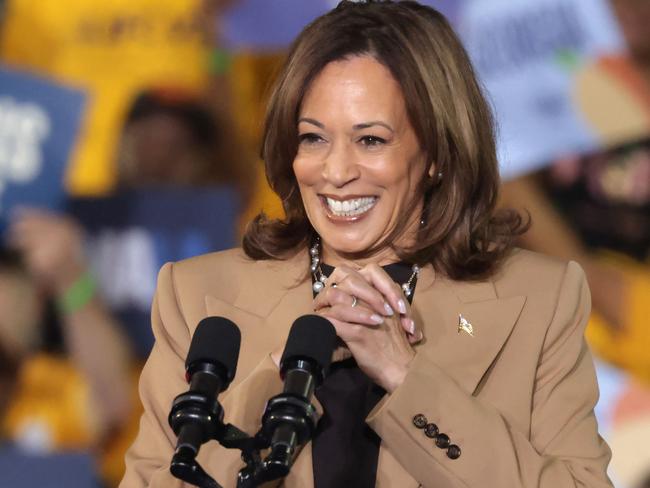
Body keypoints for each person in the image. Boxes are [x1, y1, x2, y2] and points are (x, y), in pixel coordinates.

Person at [121, 2, 613, 487]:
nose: (335, 173)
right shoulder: (197, 295)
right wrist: (275, 379)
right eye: (313, 139)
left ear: (439, 151)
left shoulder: (540, 300)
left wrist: (408, 379)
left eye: (371, 140)